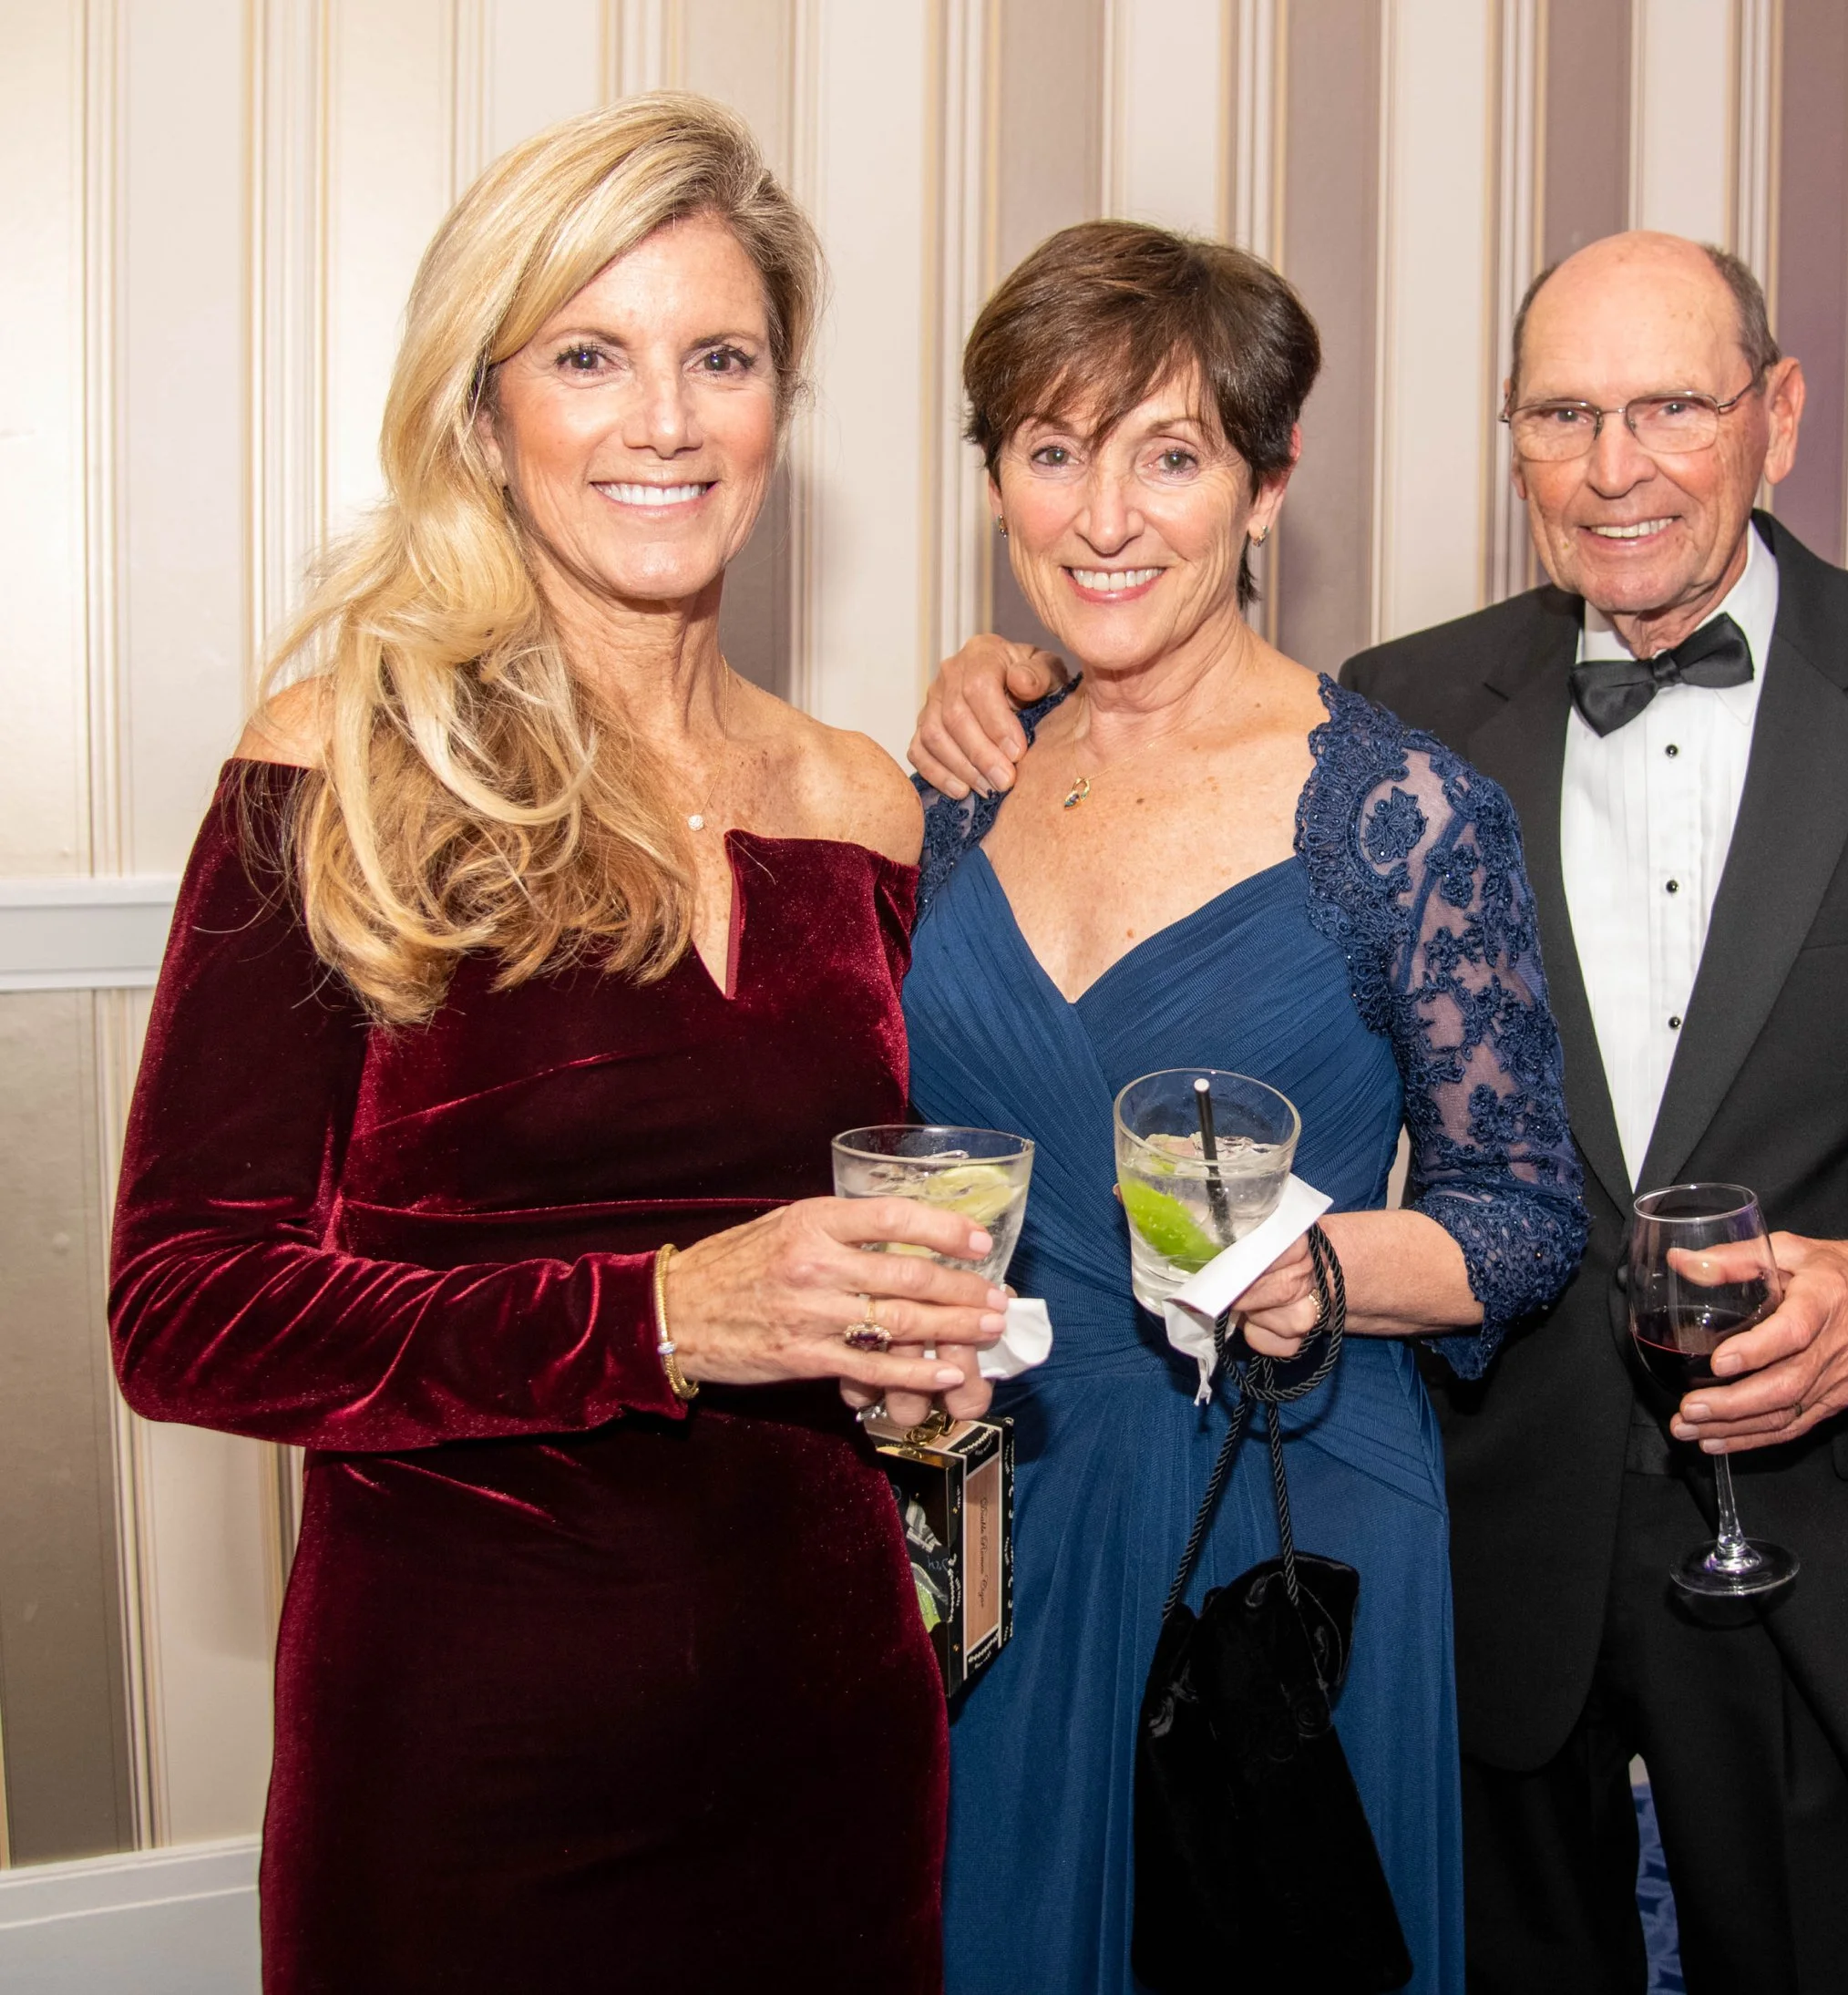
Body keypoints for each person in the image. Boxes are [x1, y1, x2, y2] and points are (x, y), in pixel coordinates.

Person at [910, 231, 1848, 1994]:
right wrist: (1002, 675)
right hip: (1500, 1515)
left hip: (1815, 1518)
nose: (1614, 464)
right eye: (1563, 413)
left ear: (1778, 417)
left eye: (1670, 408)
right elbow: (1166, 689)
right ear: (1511, 440)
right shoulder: (1416, 705)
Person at [108, 95, 1005, 1994]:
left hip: (834, 1737)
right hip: (468, 1762)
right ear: (483, 409)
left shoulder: (858, 804)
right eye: (589, 356)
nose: (663, 419)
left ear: (780, 407)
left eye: (722, 357)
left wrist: (933, 1387)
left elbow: (900, 1264)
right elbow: (182, 1308)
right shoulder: (341, 755)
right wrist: (665, 1313)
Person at [901, 219, 1588, 1994]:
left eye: (1170, 453)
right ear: (994, 482)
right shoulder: (949, 792)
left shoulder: (1403, 817)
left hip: (1284, 1506)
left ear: (1267, 486)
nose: (1103, 516)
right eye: (1051, 452)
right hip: (997, 1500)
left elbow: (1524, 1210)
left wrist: (1321, 1263)